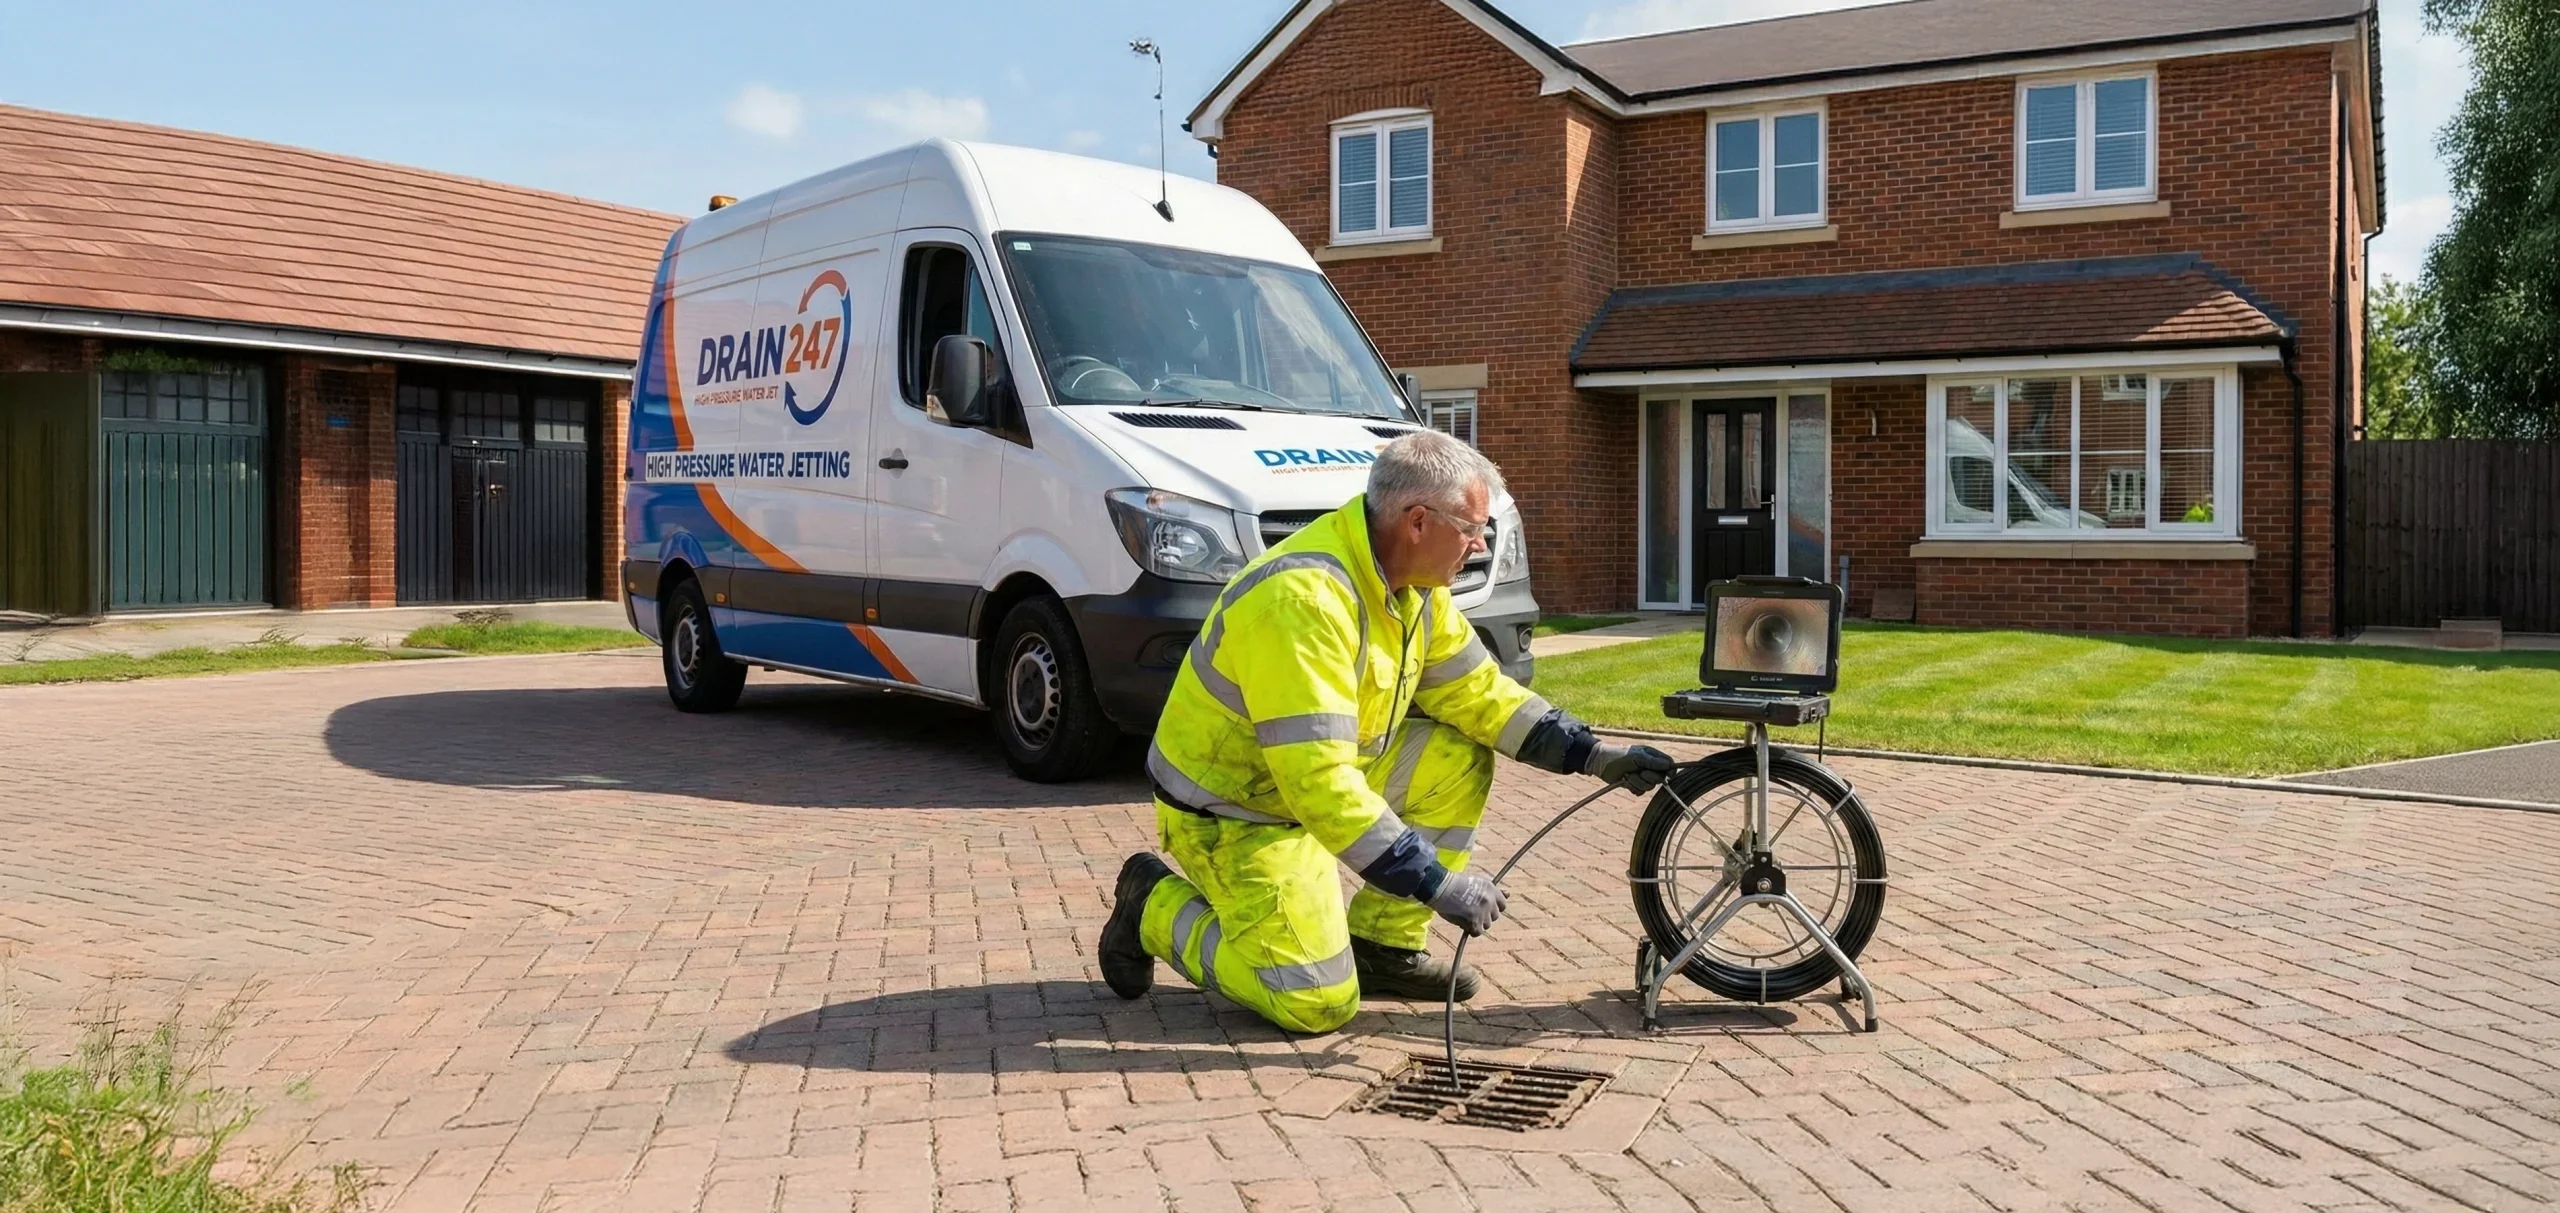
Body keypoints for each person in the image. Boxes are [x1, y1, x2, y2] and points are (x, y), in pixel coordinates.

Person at [1097, 430, 1675, 1034]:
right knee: (1315, 1003)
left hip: (1304, 787)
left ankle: (1382, 947)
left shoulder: (1413, 591)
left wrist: (1592, 753)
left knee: (1457, 752)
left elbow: (1477, 693)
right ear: (1418, 522)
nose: (1479, 545)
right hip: (1237, 813)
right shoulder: (1303, 601)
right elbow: (1318, 784)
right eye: (1470, 528)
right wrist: (1434, 883)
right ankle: (1152, 905)